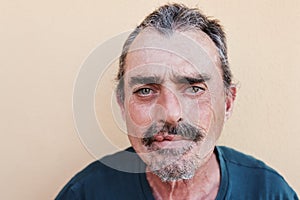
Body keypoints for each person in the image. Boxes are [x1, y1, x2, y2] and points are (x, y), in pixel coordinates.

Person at [56, 3, 298, 200]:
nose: (170, 113)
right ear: (122, 105)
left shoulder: (269, 193)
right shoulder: (85, 194)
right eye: (145, 91)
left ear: (227, 103)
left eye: (194, 88)